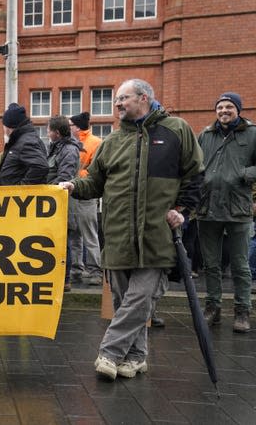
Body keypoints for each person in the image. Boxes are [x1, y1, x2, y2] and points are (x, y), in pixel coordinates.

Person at [59, 79, 204, 380]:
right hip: (118, 237)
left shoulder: (176, 130)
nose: (117, 104)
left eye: (123, 98)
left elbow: (196, 177)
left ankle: (109, 353)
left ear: (144, 98)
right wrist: (73, 186)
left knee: (140, 299)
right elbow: (95, 183)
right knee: (126, 303)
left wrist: (182, 211)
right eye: (116, 100)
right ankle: (137, 357)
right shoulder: (112, 142)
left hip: (157, 236)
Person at [197, 92, 256, 333]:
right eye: (220, 107)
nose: (224, 111)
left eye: (229, 107)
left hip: (238, 207)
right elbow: (194, 165)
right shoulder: (205, 135)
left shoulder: (252, 134)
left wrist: (244, 174)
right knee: (211, 265)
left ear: (238, 110)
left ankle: (242, 311)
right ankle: (213, 308)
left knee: (240, 265)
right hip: (208, 207)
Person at [46, 115, 81, 292]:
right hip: (55, 201)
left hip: (63, 202)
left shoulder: (68, 150)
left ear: (57, 133)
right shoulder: (57, 148)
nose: (47, 133)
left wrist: (45, 190)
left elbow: (64, 177)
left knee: (63, 241)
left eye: (49, 130)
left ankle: (65, 280)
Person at [68, 112, 103, 287]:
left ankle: (96, 270)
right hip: (74, 192)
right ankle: (76, 269)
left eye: (71, 125)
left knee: (89, 233)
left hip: (86, 193)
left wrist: (75, 176)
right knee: (74, 233)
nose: (69, 128)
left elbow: (96, 170)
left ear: (77, 127)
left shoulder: (95, 143)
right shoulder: (73, 143)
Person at [0, 103, 49, 186]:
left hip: (18, 197)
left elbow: (41, 166)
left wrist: (22, 188)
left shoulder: (25, 142)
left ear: (8, 126)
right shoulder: (22, 140)